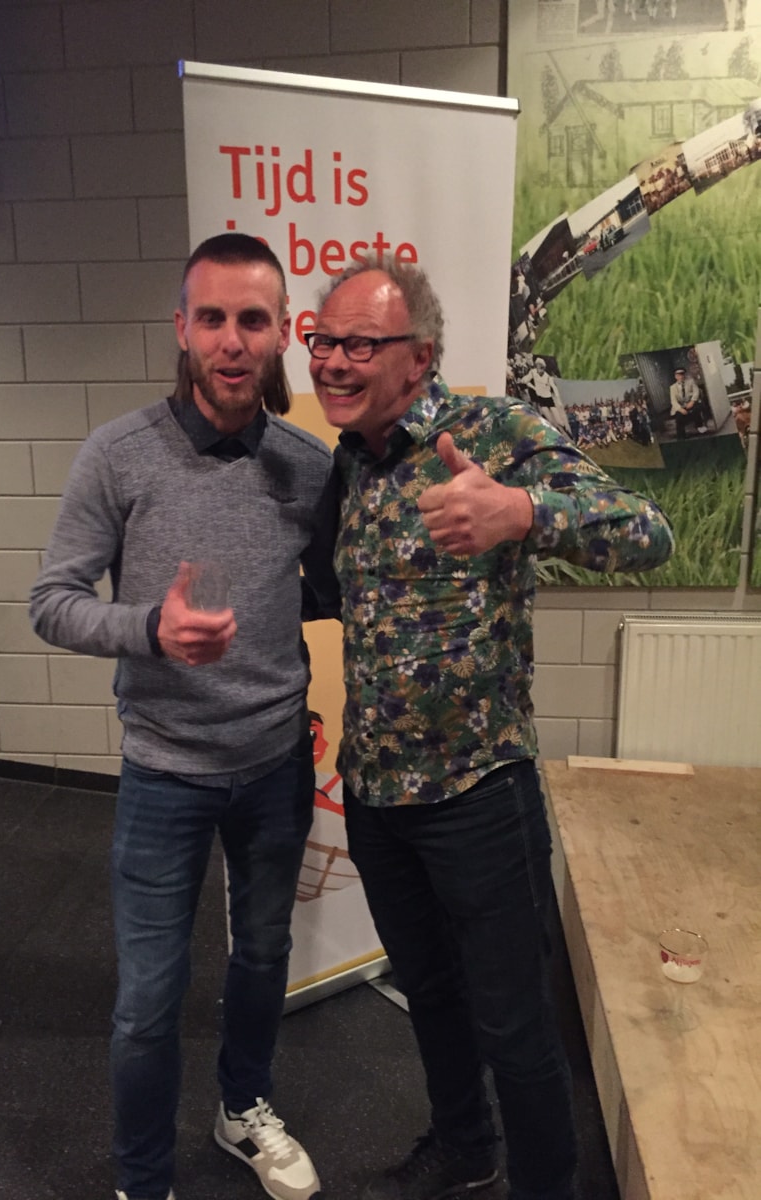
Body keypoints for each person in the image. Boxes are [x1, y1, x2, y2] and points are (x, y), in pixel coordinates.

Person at [305, 254, 674, 1200]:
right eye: (323, 341)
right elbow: (339, 598)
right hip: (377, 791)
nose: (333, 361)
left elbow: (648, 531)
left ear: (420, 357)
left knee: (515, 1023)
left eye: (359, 344)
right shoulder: (348, 465)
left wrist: (520, 510)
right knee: (430, 994)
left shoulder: (492, 433)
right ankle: (466, 1147)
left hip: (478, 793)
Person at [30, 232, 339, 1200]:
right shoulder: (118, 456)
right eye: (212, 318)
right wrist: (149, 631)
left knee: (263, 957)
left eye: (252, 320)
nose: (232, 341)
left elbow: (340, 587)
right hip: (164, 770)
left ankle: (242, 1108)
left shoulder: (308, 466)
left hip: (277, 765)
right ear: (181, 328)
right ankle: (143, 1178)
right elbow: (51, 602)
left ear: (282, 332)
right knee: (147, 1002)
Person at [668, 366, 707, 438]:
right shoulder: (672, 387)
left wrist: (692, 401)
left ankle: (699, 425)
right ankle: (681, 436)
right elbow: (673, 401)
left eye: (682, 374)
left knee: (698, 407)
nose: (681, 377)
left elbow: (696, 392)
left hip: (690, 404)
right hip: (681, 407)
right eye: (678, 375)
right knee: (679, 418)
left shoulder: (690, 382)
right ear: (675, 376)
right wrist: (680, 409)